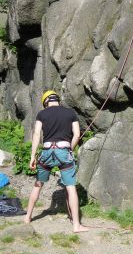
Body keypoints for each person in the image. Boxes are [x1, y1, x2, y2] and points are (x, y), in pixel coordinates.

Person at [24, 90, 88, 233]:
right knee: (71, 187)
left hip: (47, 151)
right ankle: (76, 225)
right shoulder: (70, 113)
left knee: (38, 184)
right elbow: (77, 134)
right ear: (57, 100)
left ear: (46, 102)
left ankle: (28, 217)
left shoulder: (42, 114)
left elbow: (36, 134)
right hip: (64, 150)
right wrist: (69, 149)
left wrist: (33, 156)